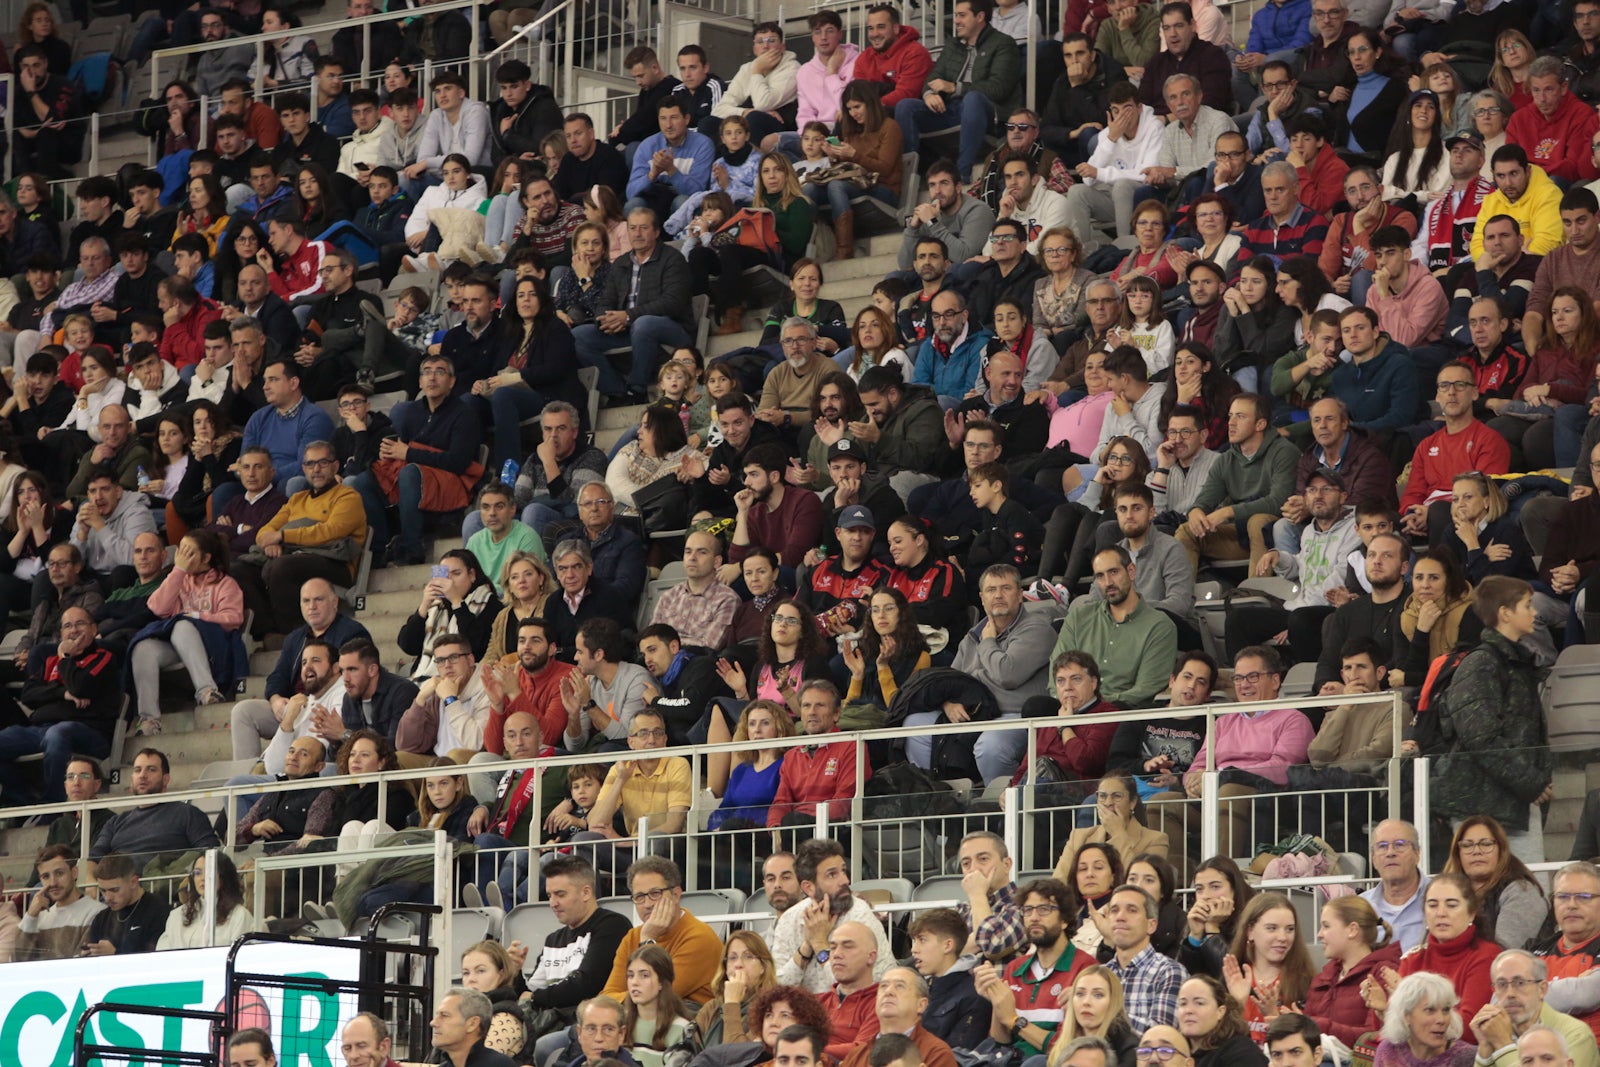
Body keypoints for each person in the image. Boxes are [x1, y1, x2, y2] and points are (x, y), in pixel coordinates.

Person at [1431, 578, 1553, 863]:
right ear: (1505, 613)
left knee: (1528, 885)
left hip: (1512, 801)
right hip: (1481, 806)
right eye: (1527, 605)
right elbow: (1480, 736)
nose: (1534, 612)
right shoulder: (1482, 663)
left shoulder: (1515, 663)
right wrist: (1530, 782)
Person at [892, 0, 1021, 183]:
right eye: (955, 15)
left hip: (989, 114)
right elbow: (932, 77)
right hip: (951, 109)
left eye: (962, 15)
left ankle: (962, 174)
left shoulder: (1003, 43)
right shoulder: (953, 45)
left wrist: (955, 87)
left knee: (973, 98)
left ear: (980, 17)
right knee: (905, 106)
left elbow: (999, 88)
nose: (956, 21)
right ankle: (909, 177)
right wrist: (929, 94)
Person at [974, 879, 1096, 1057]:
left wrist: (1014, 1020)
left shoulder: (1086, 969)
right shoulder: (1014, 968)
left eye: (1044, 909)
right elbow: (1000, 1042)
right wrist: (997, 1000)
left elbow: (1067, 1048)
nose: (1034, 917)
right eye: (1028, 910)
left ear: (1064, 920)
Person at [1399, 363, 1511, 540]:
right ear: (1437, 395)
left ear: (1474, 393)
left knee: (1438, 511)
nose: (1451, 392)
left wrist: (1431, 512)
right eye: (1444, 386)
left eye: (1460, 385)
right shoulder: (1426, 445)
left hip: (1467, 523)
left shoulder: (1490, 440)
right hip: (1425, 517)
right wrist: (1413, 513)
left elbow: (1482, 496)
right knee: (1381, 521)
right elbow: (1413, 492)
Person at [1061, 84, 1163, 259]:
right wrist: (1111, 139)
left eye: (1127, 109)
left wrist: (1101, 173)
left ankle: (1124, 251)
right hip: (1115, 199)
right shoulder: (1108, 134)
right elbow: (1088, 179)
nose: (1121, 116)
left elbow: (1147, 173)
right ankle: (1082, 255)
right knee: (1077, 191)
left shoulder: (1154, 127)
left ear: (1139, 108)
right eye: (1116, 111)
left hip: (1145, 197)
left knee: (1122, 185)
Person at [1471, 951, 1600, 1067]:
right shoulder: (1495, 1032)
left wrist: (1503, 1045)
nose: (1510, 993)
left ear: (1542, 989)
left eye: (1520, 983)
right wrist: (1484, 1047)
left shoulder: (1576, 1034)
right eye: (1502, 984)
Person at [1305, 897, 1403, 1045]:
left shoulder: (1383, 974)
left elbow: (1374, 1036)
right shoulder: (1322, 978)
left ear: (1352, 930)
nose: (1319, 934)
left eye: (1326, 926)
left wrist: (1316, 1026)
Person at [1444, 817, 1548, 952]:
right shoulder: (1446, 892)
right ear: (1457, 853)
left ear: (1501, 849)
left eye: (1486, 844)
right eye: (1467, 845)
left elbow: (1503, 953)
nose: (1476, 851)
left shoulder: (1522, 891)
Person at [15, 844, 104, 961]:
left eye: (59, 873)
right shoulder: (38, 918)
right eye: (46, 876)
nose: (53, 883)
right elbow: (18, 960)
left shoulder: (97, 912)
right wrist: (30, 916)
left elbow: (83, 962)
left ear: (74, 872)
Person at [1369, 972, 1477, 1067]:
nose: (1441, 1020)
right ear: (1406, 1015)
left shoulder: (1465, 1058)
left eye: (1445, 1010)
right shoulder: (1389, 1051)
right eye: (1430, 1010)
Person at [1173, 976, 1265, 1067]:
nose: (1188, 1010)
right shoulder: (1172, 1050)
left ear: (1220, 1012)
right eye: (1183, 1003)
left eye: (1199, 1003)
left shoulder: (1243, 1053)